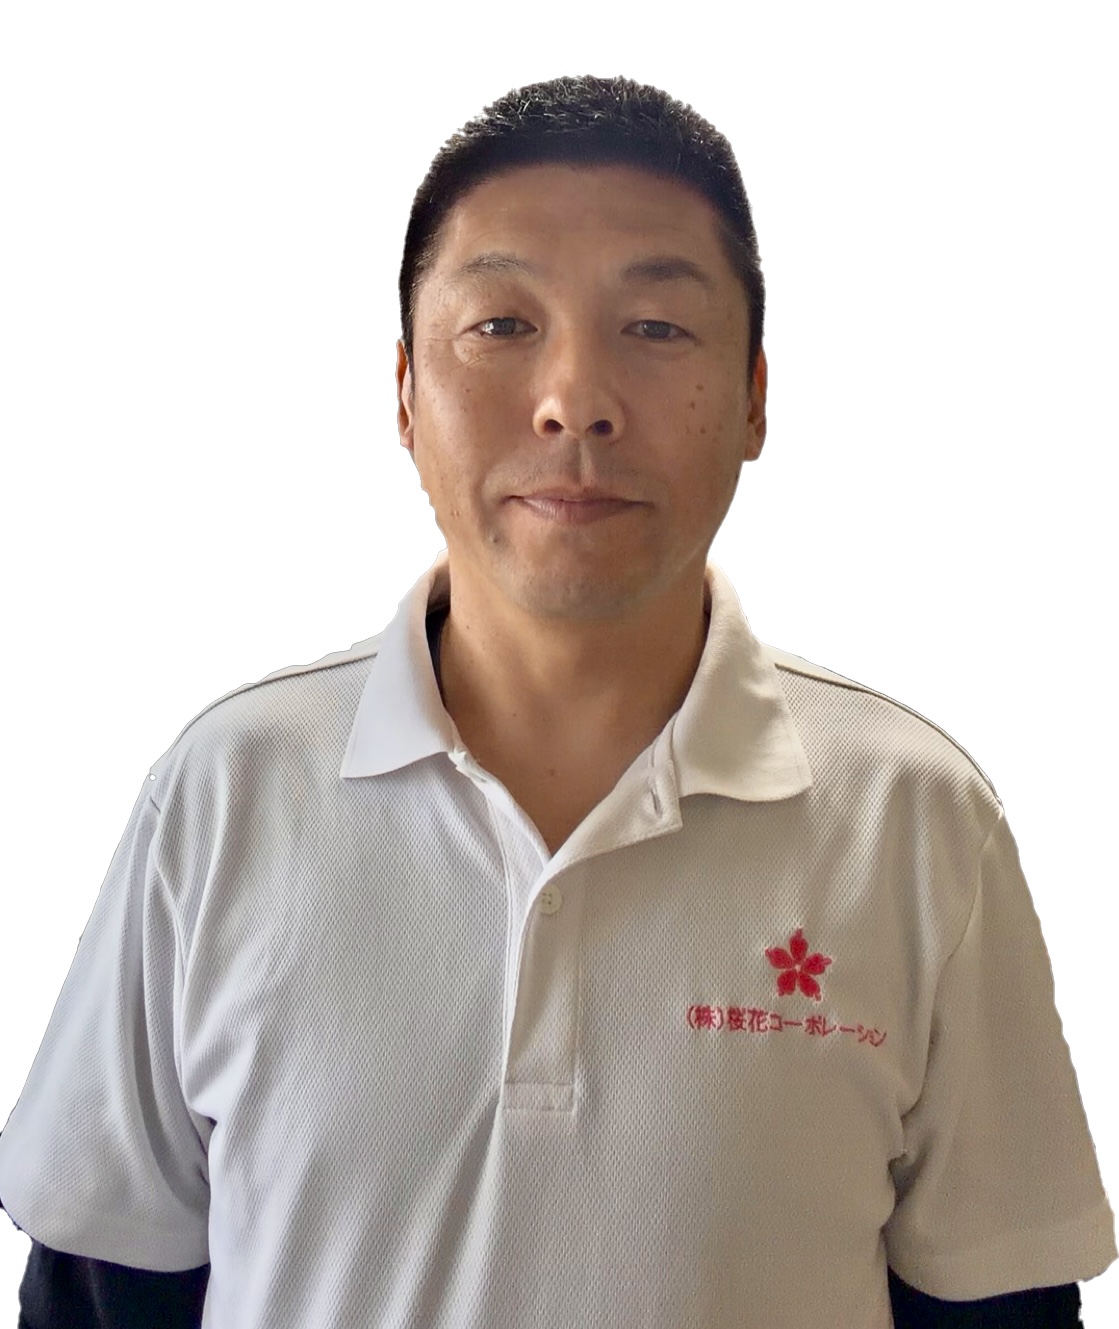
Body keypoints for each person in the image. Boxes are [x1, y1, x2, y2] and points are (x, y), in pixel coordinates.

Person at [0, 74, 1114, 1329]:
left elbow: (1002, 1307)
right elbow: (100, 1291)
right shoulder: (223, 797)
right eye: (502, 324)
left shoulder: (914, 824)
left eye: (656, 327)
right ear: (404, 391)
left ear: (757, 396)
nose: (574, 398)